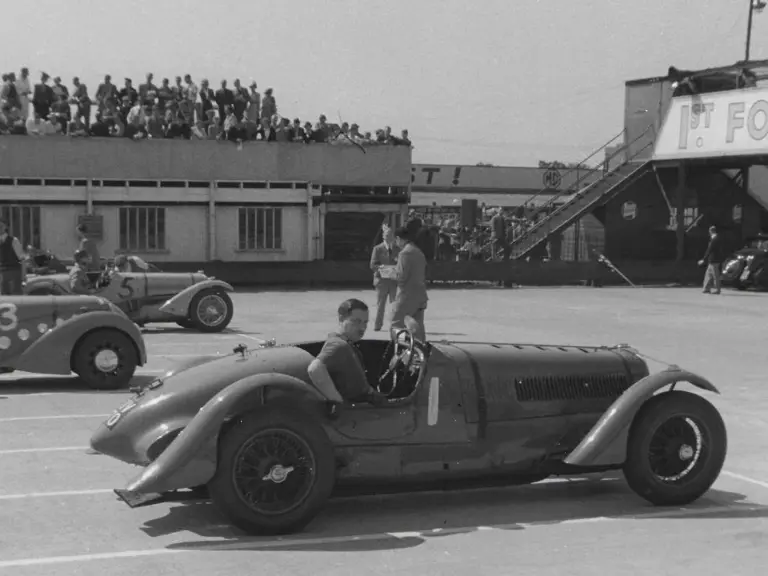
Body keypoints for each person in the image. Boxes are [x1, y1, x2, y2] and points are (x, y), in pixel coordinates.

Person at [307, 299, 388, 405]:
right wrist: (337, 401)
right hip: (362, 409)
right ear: (341, 318)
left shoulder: (345, 342)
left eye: (365, 322)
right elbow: (315, 369)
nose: (362, 328)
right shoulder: (339, 345)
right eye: (357, 321)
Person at [390, 226, 428, 342]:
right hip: (420, 295)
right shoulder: (418, 252)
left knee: (396, 326)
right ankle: (420, 351)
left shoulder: (404, 253)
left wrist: (390, 273)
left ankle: (403, 348)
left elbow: (401, 277)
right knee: (418, 327)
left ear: (398, 238)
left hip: (406, 296)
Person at [369, 224, 400, 331]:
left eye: (391, 235)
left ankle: (395, 326)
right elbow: (372, 265)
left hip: (393, 281)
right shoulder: (377, 249)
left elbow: (401, 264)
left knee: (395, 305)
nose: (389, 237)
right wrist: (381, 268)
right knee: (380, 305)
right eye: (387, 235)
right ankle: (378, 325)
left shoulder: (397, 249)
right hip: (381, 281)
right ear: (383, 236)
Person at [0, 219, 26, 295]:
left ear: (5, 227)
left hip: (14, 274)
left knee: (15, 298)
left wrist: (23, 277)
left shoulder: (13, 241)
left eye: (1, 226)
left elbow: (22, 259)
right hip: (2, 275)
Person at [698, 225, 725, 295]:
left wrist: (704, 259)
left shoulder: (715, 239)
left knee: (715, 275)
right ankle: (706, 288)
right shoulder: (717, 238)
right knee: (708, 274)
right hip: (713, 260)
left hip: (714, 260)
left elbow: (709, 250)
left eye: (709, 231)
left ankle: (717, 289)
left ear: (711, 231)